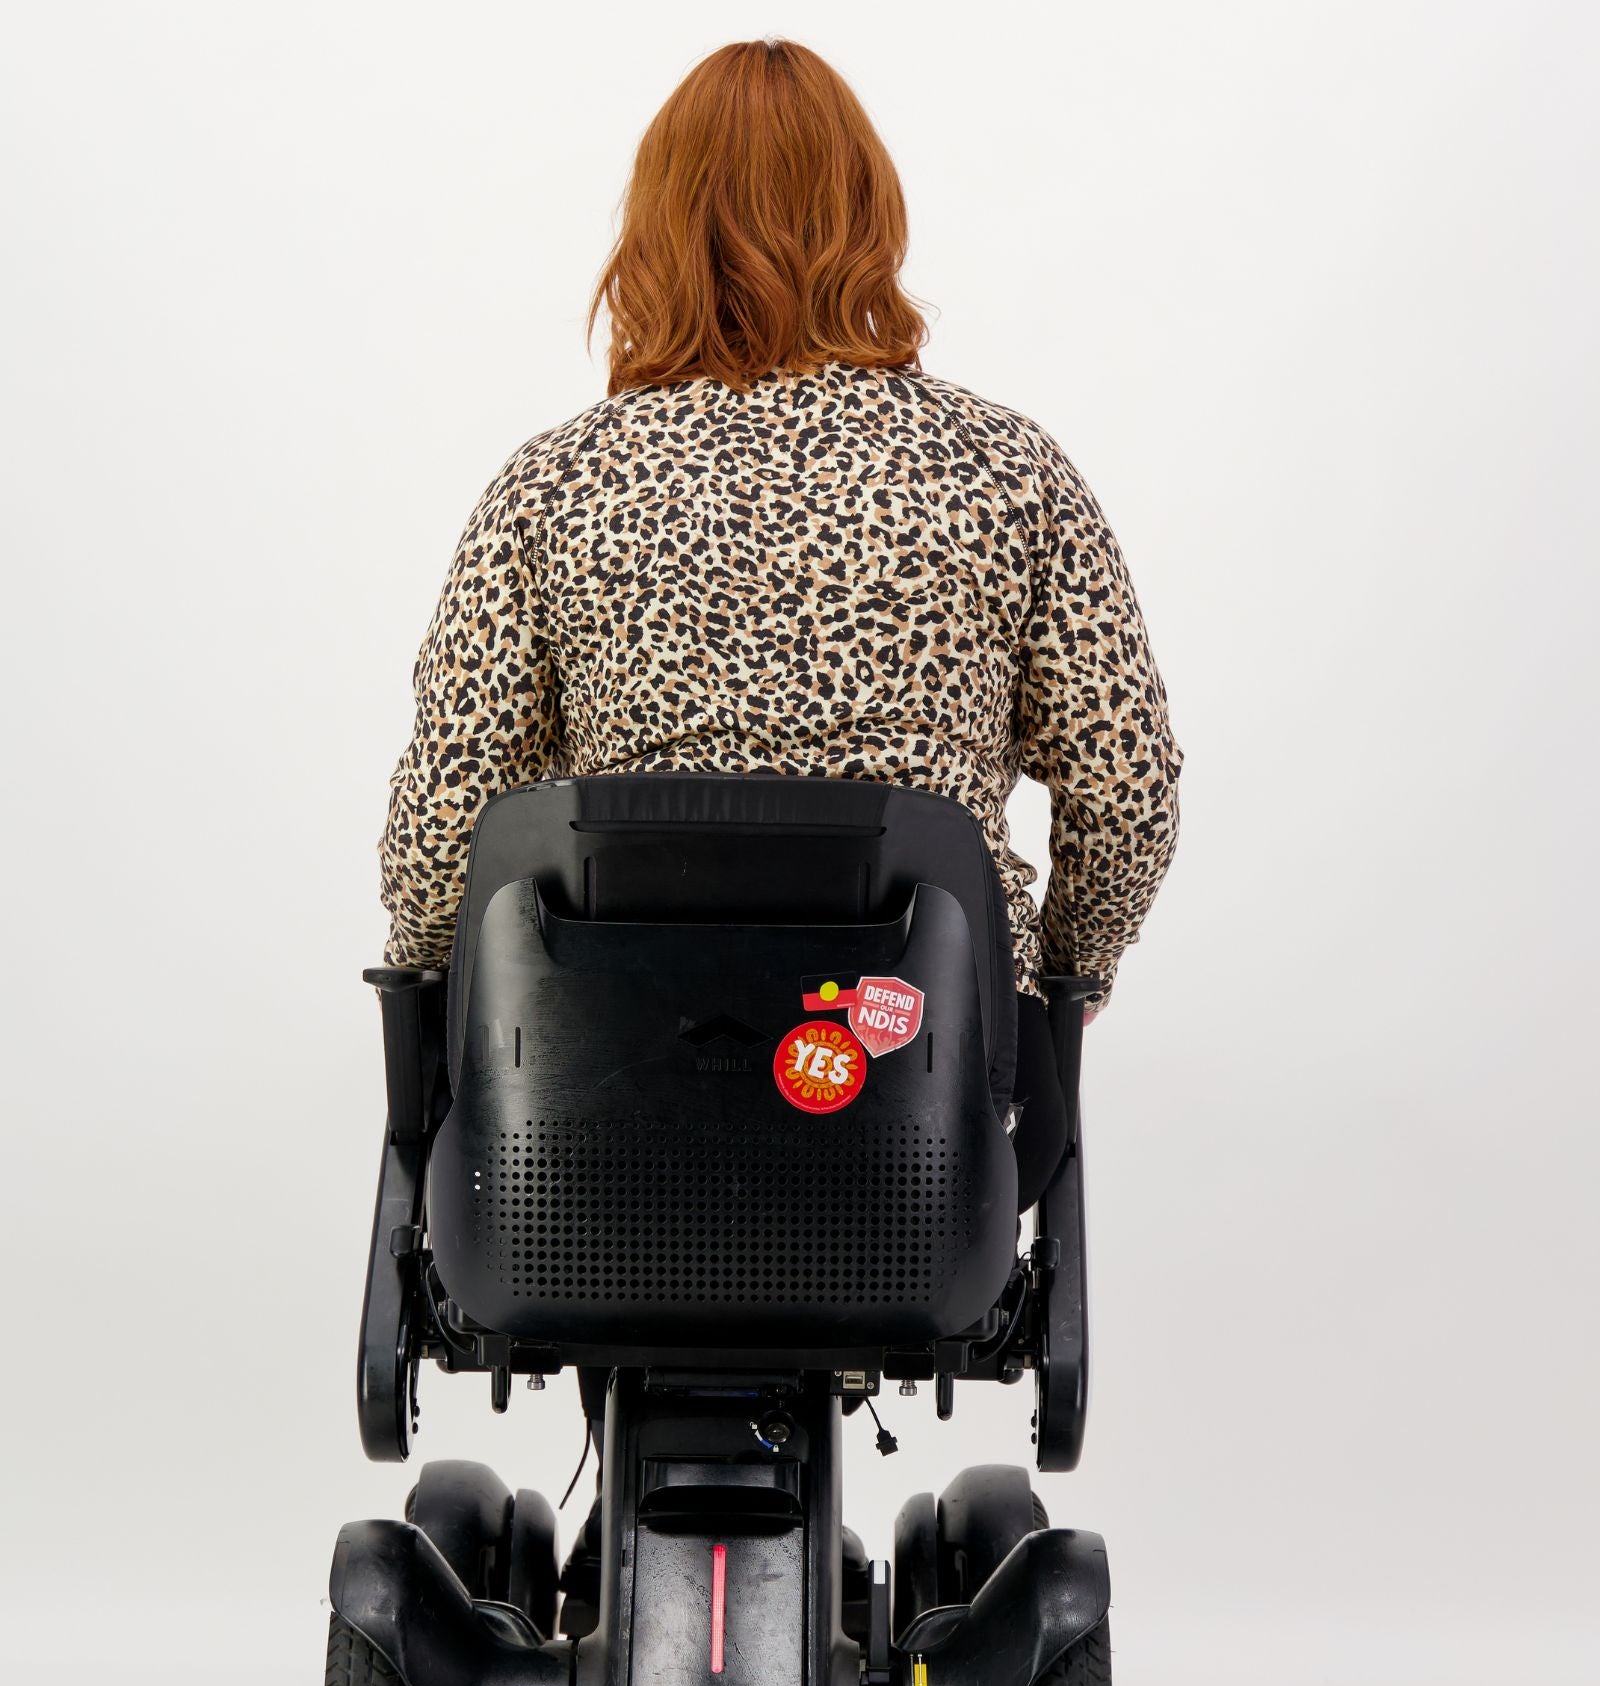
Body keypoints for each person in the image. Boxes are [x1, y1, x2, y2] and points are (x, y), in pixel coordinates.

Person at [380, 37, 1182, 1207]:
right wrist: (1068, 971)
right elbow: (1127, 788)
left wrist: (420, 981)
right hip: (915, 1093)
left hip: (596, 1110)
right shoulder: (1008, 473)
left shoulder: (551, 486)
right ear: (870, 216)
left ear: (656, 229)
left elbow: (443, 820)